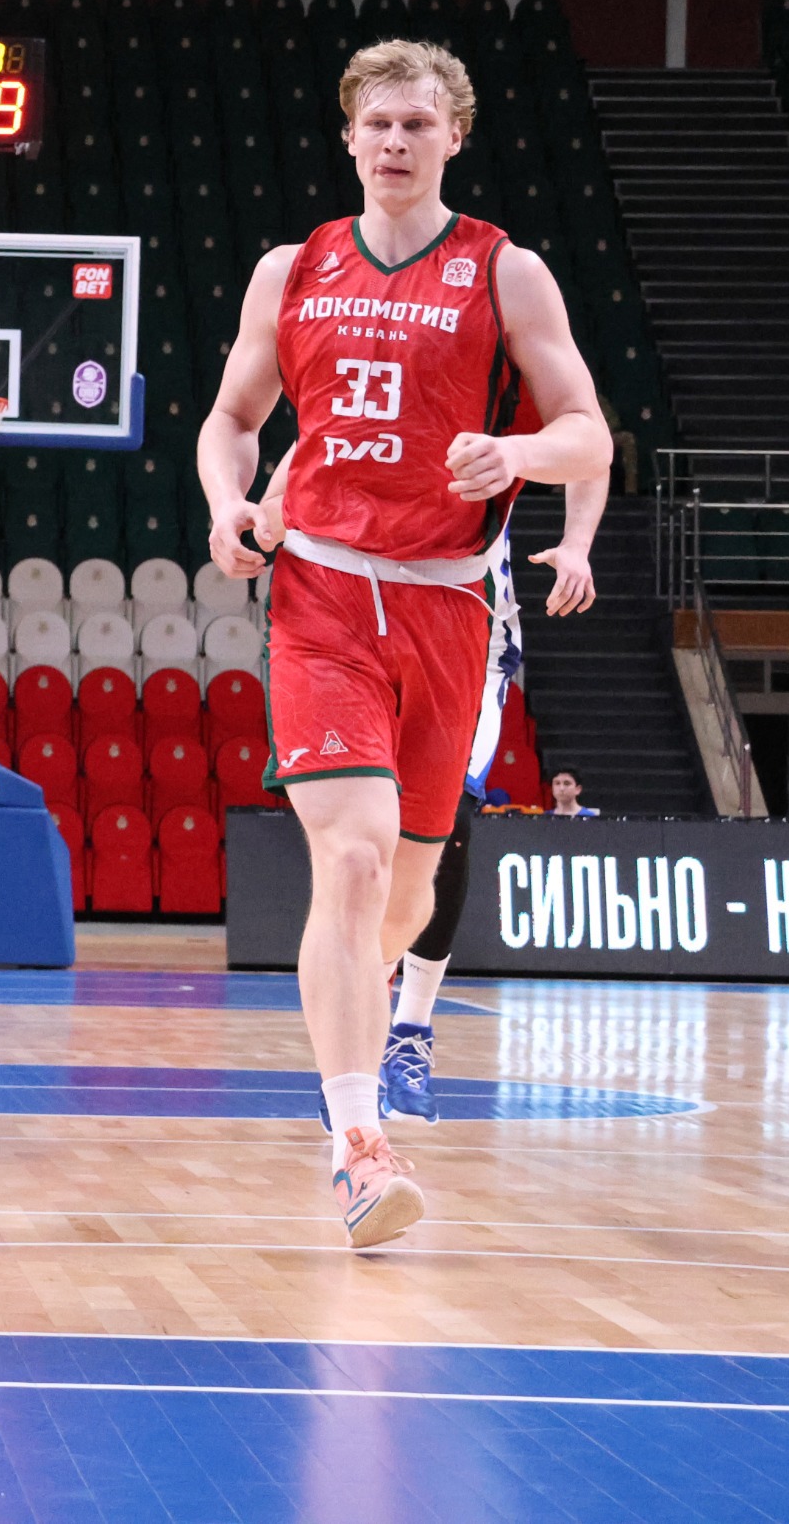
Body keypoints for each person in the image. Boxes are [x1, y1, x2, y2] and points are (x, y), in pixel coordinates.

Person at [197, 38, 613, 1249]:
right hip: (322, 593)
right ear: (347, 136)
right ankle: (357, 1141)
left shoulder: (504, 270)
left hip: (448, 605)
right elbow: (231, 417)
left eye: (416, 124)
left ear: (453, 137)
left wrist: (518, 452)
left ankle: (355, 1015)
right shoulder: (290, 269)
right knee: (354, 856)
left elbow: (587, 429)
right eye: (375, 123)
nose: (393, 141)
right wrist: (229, 504)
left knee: (406, 893)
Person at [258, 451, 606, 1123]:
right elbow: (297, 462)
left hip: (469, 636)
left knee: (453, 826)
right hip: (351, 627)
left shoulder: (483, 408)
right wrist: (253, 516)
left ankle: (409, 1030)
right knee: (362, 848)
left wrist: (577, 544)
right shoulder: (356, 410)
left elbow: (585, 440)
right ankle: (357, 1033)